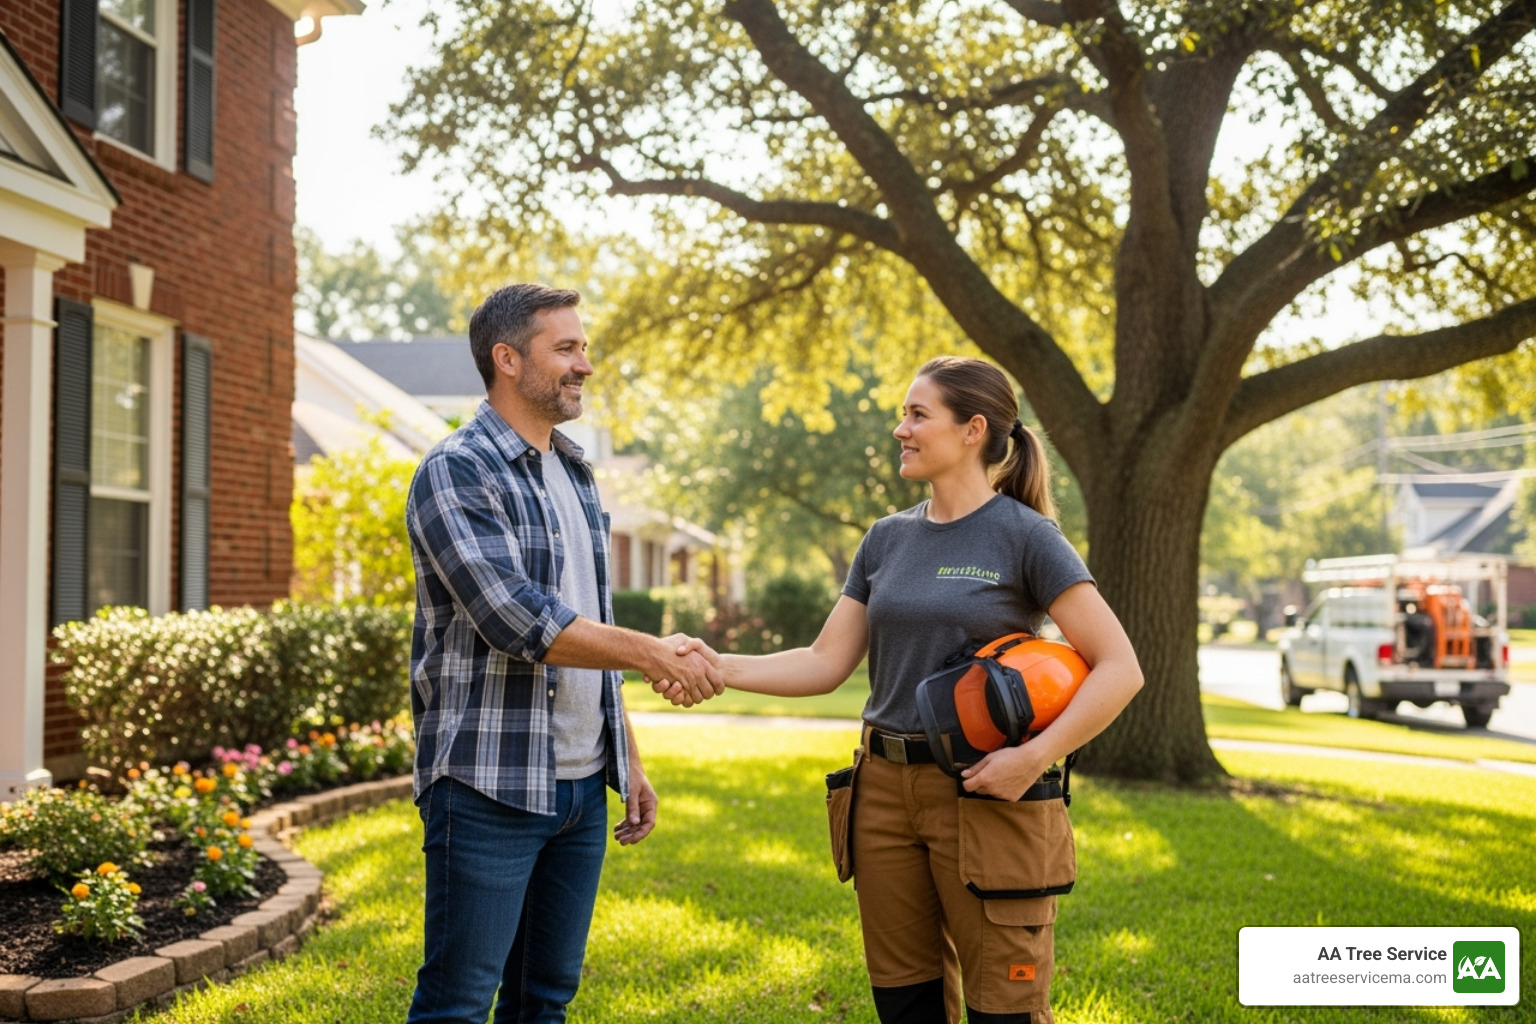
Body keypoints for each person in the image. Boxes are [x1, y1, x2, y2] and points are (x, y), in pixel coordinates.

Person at [660, 356, 1143, 1024]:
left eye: (918, 415)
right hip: (882, 792)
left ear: (973, 430)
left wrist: (1033, 758)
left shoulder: (1027, 536)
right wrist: (715, 665)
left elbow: (1120, 666)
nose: (900, 429)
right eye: (903, 413)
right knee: (906, 1004)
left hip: (984, 792)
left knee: (1006, 1008)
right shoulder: (886, 539)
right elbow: (824, 661)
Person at [404, 283, 722, 1024]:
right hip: (488, 784)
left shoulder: (574, 473)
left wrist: (627, 755)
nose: (585, 364)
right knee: (456, 1002)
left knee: (545, 1001)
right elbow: (515, 617)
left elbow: (590, 617)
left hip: (580, 788)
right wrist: (654, 653)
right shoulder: (457, 469)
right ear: (507, 358)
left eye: (584, 347)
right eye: (567, 348)